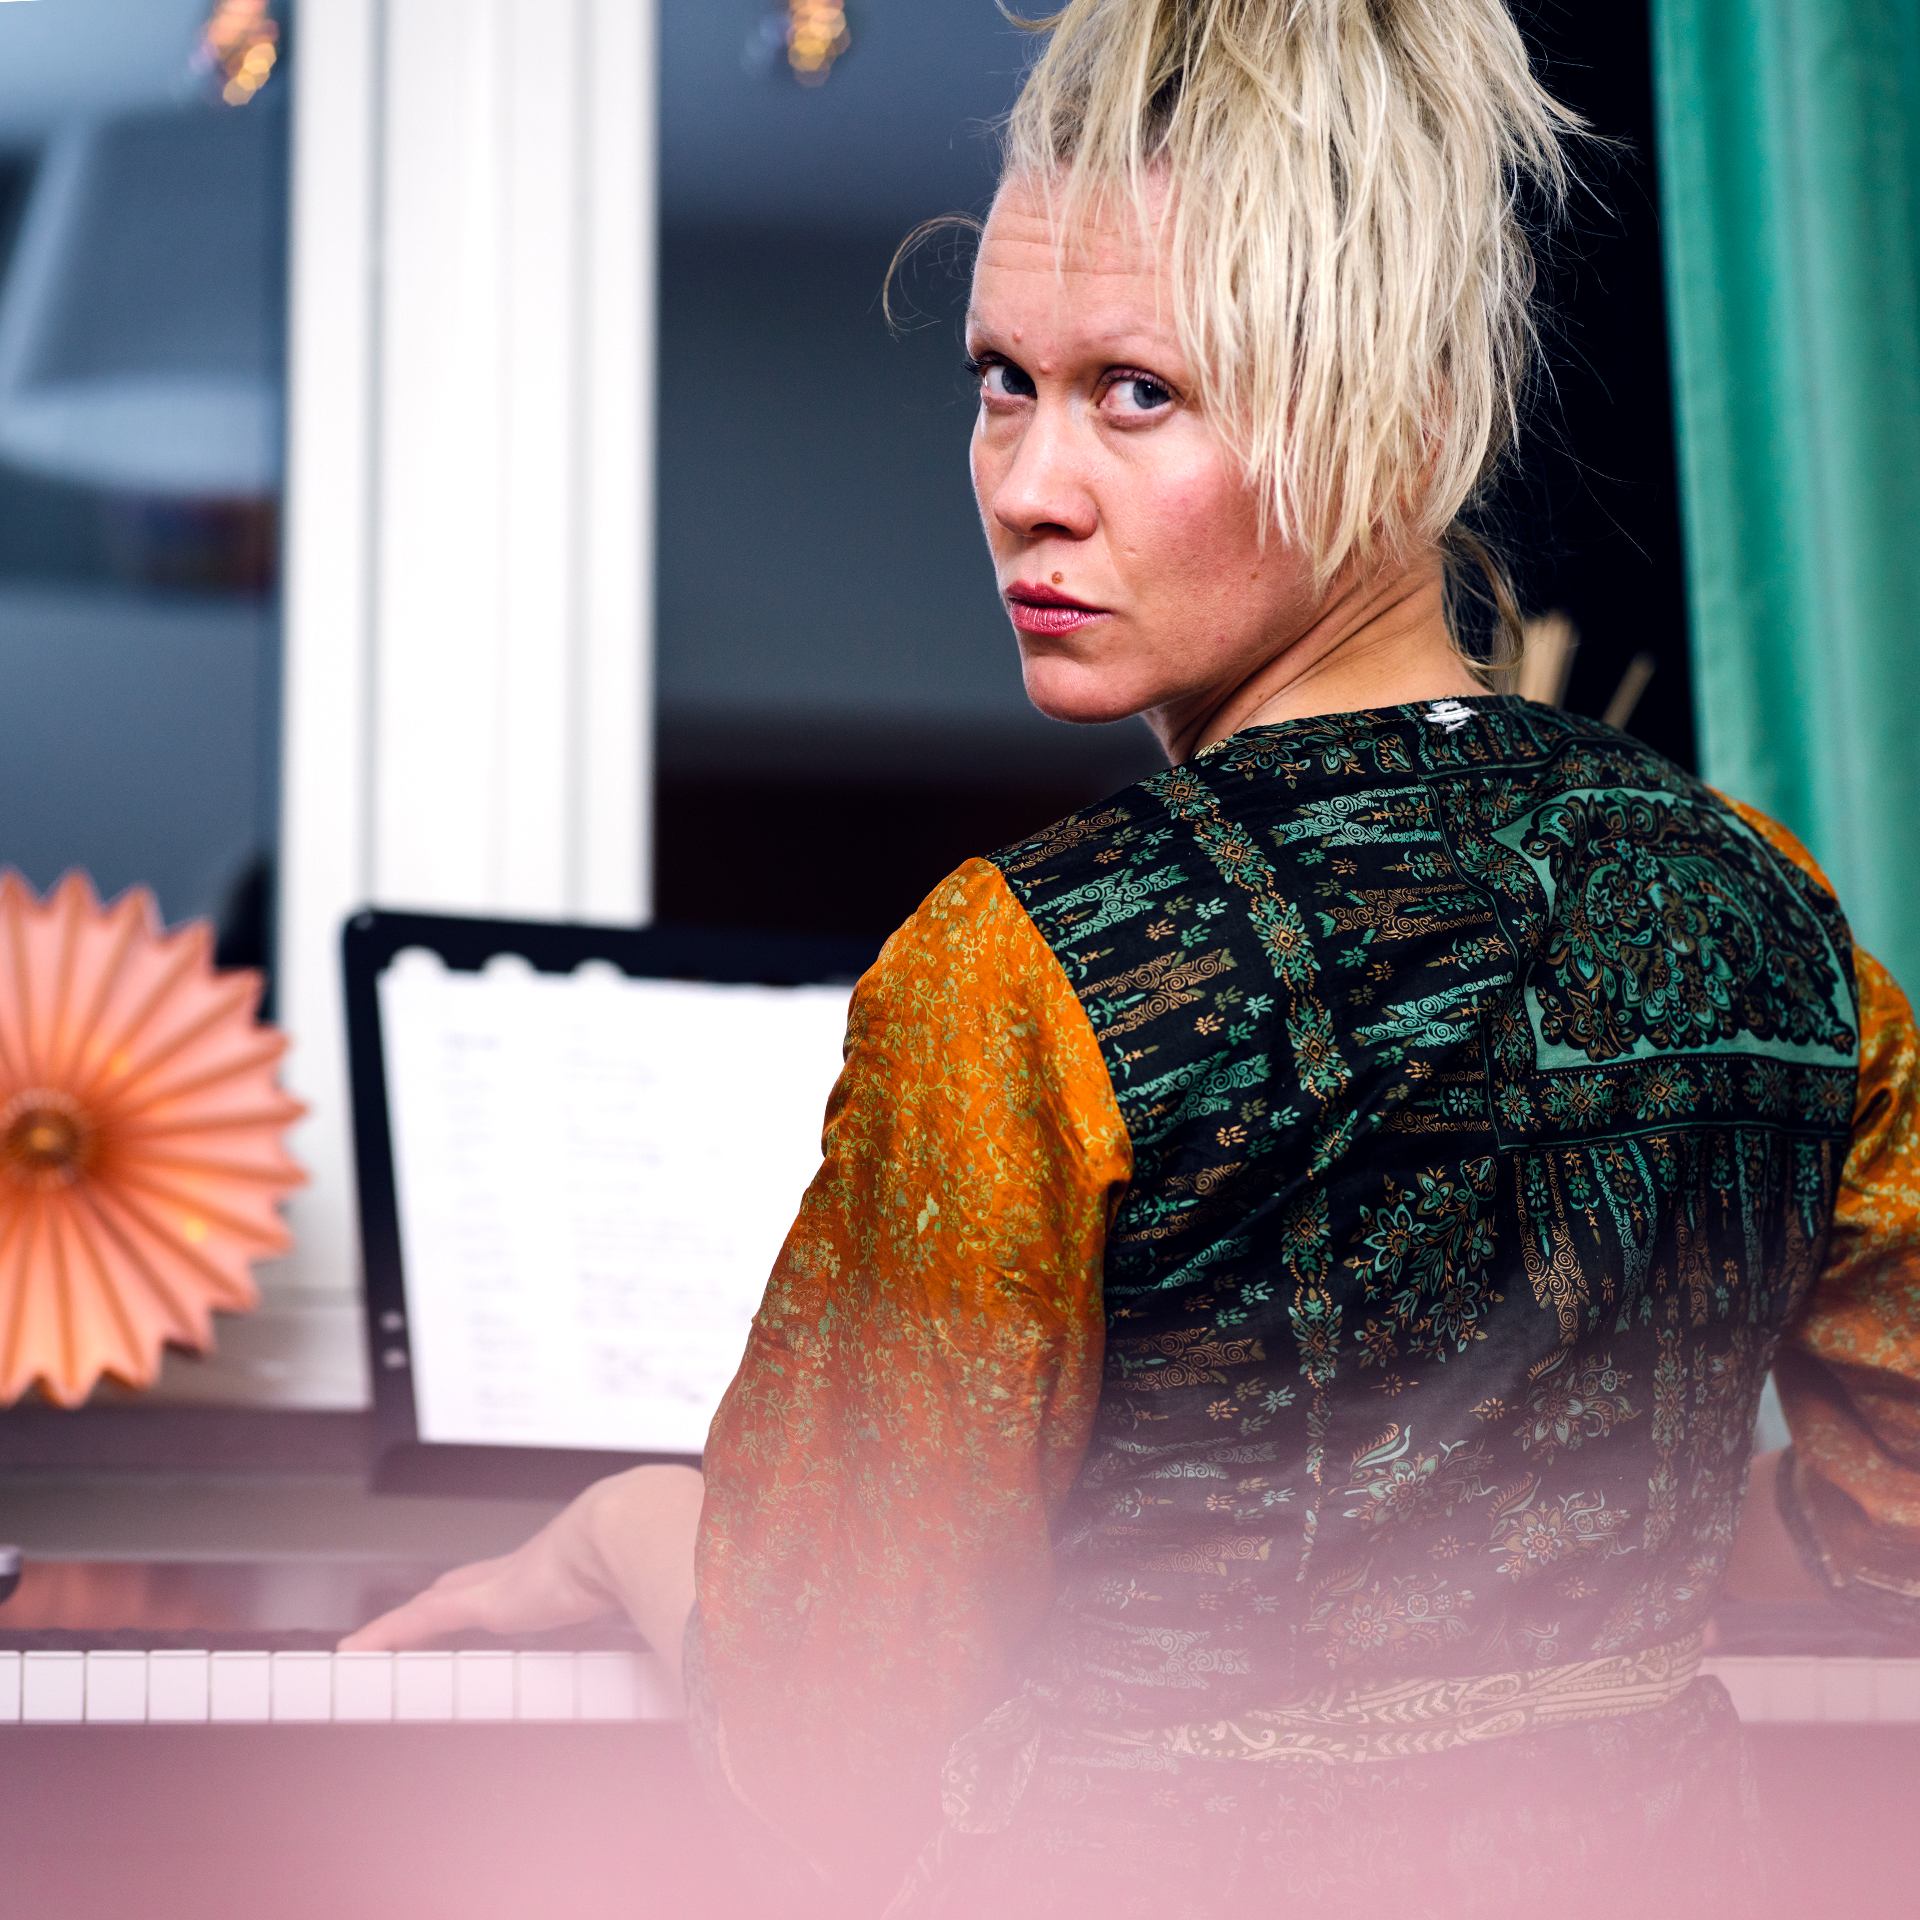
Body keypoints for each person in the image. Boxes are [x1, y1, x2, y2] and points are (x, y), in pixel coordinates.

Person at [347, 1, 1920, 1913]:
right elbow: (1896, 1519)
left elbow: (818, 1747)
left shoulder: (1030, 972)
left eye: (1138, 392)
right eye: (1005, 379)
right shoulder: (1773, 915)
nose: (1029, 484)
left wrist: (622, 1533)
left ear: (1402, 415)